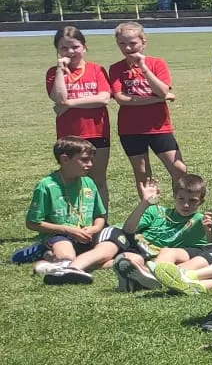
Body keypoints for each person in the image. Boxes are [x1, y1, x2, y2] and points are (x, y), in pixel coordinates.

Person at [107, 22, 185, 195]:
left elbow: (163, 90)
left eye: (133, 43)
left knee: (179, 169)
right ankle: (150, 212)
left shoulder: (156, 63)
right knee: (143, 174)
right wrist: (157, 99)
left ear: (143, 42)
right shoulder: (116, 68)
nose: (128, 48)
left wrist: (144, 68)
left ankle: (182, 210)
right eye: (122, 44)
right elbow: (121, 99)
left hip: (159, 127)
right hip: (130, 129)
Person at [26, 137, 110, 284]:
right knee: (67, 254)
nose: (89, 165)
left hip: (87, 235)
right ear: (65, 159)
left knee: (112, 250)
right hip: (58, 235)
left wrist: (95, 228)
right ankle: (60, 261)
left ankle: (51, 260)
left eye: (91, 160)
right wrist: (67, 230)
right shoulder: (46, 186)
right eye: (84, 160)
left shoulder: (88, 182)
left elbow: (100, 215)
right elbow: (32, 223)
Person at [47, 25, 116, 193]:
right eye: (64, 48)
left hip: (97, 132)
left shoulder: (96, 69)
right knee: (72, 181)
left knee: (98, 181)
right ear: (57, 50)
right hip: (69, 136)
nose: (70, 51)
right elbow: (60, 98)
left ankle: (101, 219)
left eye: (75, 47)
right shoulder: (53, 73)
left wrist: (70, 104)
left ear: (85, 47)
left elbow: (103, 98)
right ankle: (77, 219)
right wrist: (59, 71)